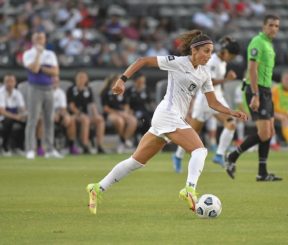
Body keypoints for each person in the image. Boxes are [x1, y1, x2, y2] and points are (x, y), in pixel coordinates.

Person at [86, 30, 247, 214]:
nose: (209, 56)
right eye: (206, 51)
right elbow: (143, 61)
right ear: (194, 50)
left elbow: (213, 102)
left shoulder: (204, 74)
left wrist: (232, 112)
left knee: (135, 162)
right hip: (167, 114)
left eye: (211, 52)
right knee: (200, 150)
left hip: (169, 118)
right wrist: (122, 80)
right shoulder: (178, 62)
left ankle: (97, 188)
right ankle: (190, 189)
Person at [225, 14, 282, 181]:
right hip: (256, 90)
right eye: (271, 25)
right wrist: (256, 94)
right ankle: (232, 156)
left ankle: (262, 173)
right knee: (264, 133)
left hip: (266, 90)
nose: (274, 28)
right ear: (264, 26)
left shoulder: (269, 44)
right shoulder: (257, 42)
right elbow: (252, 70)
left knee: (269, 131)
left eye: (277, 26)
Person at [172, 36, 240, 172]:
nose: (231, 59)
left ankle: (219, 155)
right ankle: (178, 156)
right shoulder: (211, 61)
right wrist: (226, 79)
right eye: (231, 56)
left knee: (231, 123)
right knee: (192, 132)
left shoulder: (222, 61)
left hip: (218, 98)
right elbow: (207, 82)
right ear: (224, 51)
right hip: (205, 100)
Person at [22, 31, 62, 159]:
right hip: (35, 88)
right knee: (32, 119)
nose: (40, 40)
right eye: (37, 38)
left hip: (49, 88)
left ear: (44, 40)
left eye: (42, 38)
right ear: (33, 40)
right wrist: (38, 54)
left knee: (49, 120)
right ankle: (30, 149)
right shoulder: (28, 54)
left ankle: (50, 149)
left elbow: (55, 72)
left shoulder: (50, 54)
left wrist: (41, 68)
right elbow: (33, 69)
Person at [66, 71, 106, 154]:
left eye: (83, 77)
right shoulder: (71, 89)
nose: (81, 79)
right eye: (80, 77)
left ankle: (99, 145)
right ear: (76, 78)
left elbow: (92, 104)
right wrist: (80, 114)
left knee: (100, 120)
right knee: (85, 120)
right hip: (74, 114)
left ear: (87, 79)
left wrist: (96, 115)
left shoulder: (88, 89)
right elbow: (71, 106)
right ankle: (85, 145)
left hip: (86, 114)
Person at [101, 74, 138, 152]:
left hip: (122, 113)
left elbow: (126, 105)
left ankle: (124, 141)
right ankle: (123, 141)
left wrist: (125, 112)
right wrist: (118, 113)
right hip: (111, 113)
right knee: (120, 121)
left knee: (133, 120)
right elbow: (106, 108)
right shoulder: (105, 92)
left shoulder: (123, 91)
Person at [0, 74, 26, 155]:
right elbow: (2, 111)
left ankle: (19, 147)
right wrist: (16, 117)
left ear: (15, 83)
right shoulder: (1, 93)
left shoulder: (17, 93)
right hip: (2, 118)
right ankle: (4, 147)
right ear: (4, 83)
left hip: (14, 117)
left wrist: (25, 115)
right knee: (8, 121)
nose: (9, 84)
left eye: (11, 81)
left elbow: (23, 109)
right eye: (7, 81)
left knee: (27, 122)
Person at [52, 76, 79, 155]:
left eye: (56, 81)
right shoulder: (45, 91)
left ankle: (71, 146)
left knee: (70, 120)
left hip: (58, 115)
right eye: (53, 81)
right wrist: (52, 114)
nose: (55, 83)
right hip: (46, 115)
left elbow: (63, 108)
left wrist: (66, 115)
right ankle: (42, 147)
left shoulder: (60, 92)